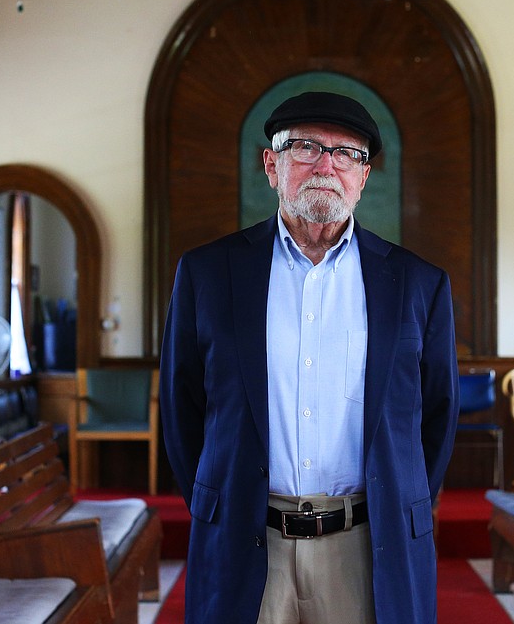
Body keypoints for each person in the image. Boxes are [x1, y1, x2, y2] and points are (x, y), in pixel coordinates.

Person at [160, 90, 460, 624]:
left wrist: (393, 499)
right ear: (271, 165)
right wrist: (227, 497)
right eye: (306, 148)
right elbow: (182, 411)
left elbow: (435, 419)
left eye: (348, 153)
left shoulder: (418, 284)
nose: (327, 165)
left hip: (368, 549)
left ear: (364, 177)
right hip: (245, 540)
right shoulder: (207, 274)